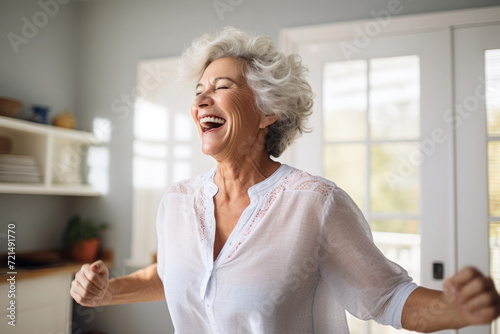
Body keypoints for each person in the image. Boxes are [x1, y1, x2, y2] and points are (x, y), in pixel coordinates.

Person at [70, 27, 500, 333]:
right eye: (198, 89)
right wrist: (105, 293)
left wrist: (455, 309)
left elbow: (387, 298)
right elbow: (173, 275)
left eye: (220, 87)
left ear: (267, 111)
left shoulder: (315, 203)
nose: (201, 99)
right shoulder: (178, 201)